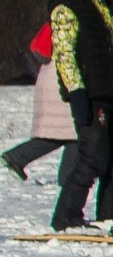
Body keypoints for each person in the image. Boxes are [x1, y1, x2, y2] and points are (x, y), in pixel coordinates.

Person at [47, 0, 113, 230]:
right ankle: (66, 216)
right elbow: (64, 53)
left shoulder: (107, 3)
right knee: (93, 154)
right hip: (90, 90)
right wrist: (76, 91)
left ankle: (111, 212)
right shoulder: (67, 5)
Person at [4, 21, 76, 182]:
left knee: (58, 132)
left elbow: (39, 52)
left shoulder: (54, 22)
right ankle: (69, 180)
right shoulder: (75, 20)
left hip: (48, 80)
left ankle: (17, 156)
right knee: (76, 132)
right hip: (65, 83)